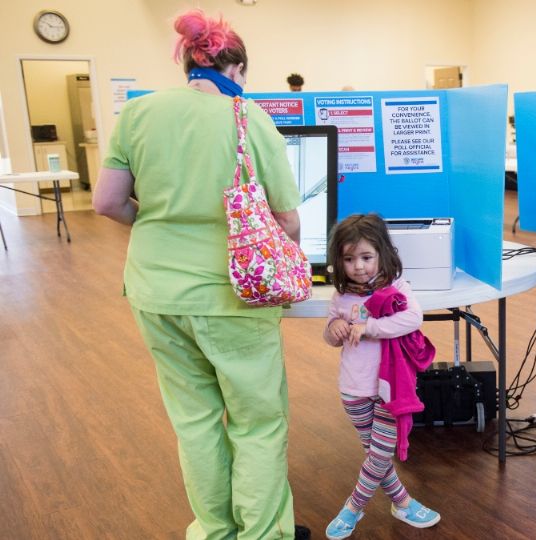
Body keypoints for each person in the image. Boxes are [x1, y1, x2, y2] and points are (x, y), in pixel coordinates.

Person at [93, 9, 310, 540]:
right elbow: (286, 220)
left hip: (155, 292)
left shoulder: (138, 115)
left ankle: (214, 531)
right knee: (257, 424)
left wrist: (159, 224)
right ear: (236, 70)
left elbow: (107, 203)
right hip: (233, 297)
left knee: (193, 421)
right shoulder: (248, 117)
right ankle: (262, 534)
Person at [322, 213, 441, 539]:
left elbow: (412, 319)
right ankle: (402, 502)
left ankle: (353, 507)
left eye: (366, 257)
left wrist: (369, 328)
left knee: (380, 453)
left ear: (383, 254)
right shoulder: (341, 298)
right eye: (349, 259)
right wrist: (335, 328)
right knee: (376, 455)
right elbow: (330, 337)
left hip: (391, 389)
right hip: (353, 388)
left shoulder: (397, 289)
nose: (358, 266)